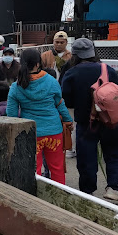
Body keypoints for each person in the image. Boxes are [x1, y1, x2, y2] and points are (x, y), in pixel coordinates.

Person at [61, 38, 118, 200]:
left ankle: (88, 190)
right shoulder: (107, 69)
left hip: (86, 122)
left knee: (86, 157)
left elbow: (67, 100)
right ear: (93, 52)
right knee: (113, 153)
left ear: (74, 55)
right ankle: (113, 187)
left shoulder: (71, 73)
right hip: (110, 120)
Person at [7, 49, 73, 185]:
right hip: (54, 132)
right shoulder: (51, 81)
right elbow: (60, 104)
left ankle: (33, 199)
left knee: (33, 169)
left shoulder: (16, 86)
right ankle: (58, 198)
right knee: (57, 169)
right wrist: (68, 120)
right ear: (38, 64)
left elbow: (11, 115)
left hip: (31, 133)